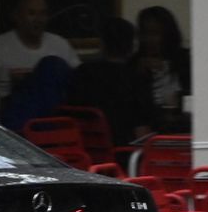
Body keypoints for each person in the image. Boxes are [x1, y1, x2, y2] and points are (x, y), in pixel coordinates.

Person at [66, 17, 159, 146]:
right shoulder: (136, 79)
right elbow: (143, 134)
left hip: (84, 149)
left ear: (102, 43)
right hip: (124, 155)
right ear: (131, 46)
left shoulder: (82, 73)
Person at [0, 0, 80, 127]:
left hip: (57, 118)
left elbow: (79, 81)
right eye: (32, 13)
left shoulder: (60, 44)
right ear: (16, 16)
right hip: (16, 119)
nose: (39, 19)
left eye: (43, 14)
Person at [131, 5, 193, 132]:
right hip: (151, 130)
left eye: (155, 33)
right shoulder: (134, 64)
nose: (149, 40)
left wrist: (179, 98)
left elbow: (194, 95)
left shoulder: (184, 60)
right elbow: (133, 107)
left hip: (183, 126)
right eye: (144, 33)